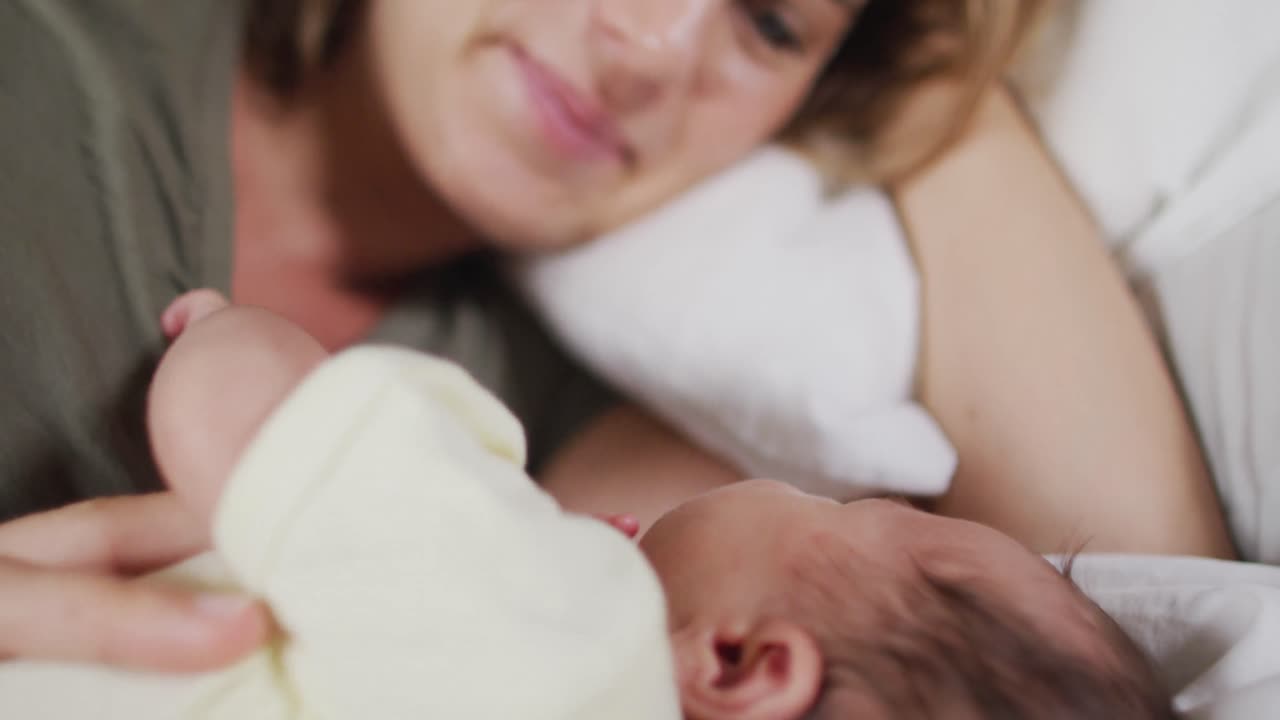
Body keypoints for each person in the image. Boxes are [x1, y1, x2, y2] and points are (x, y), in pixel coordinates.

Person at [0, 0, 1233, 672]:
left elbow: (1124, 615)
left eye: (764, 25)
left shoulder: (597, 458)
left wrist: (930, 85)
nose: (653, 45)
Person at [0, 290, 1173, 719]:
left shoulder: (558, 629)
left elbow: (236, 414)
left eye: (863, 510)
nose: (843, 489)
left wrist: (236, 337)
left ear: (740, 662)